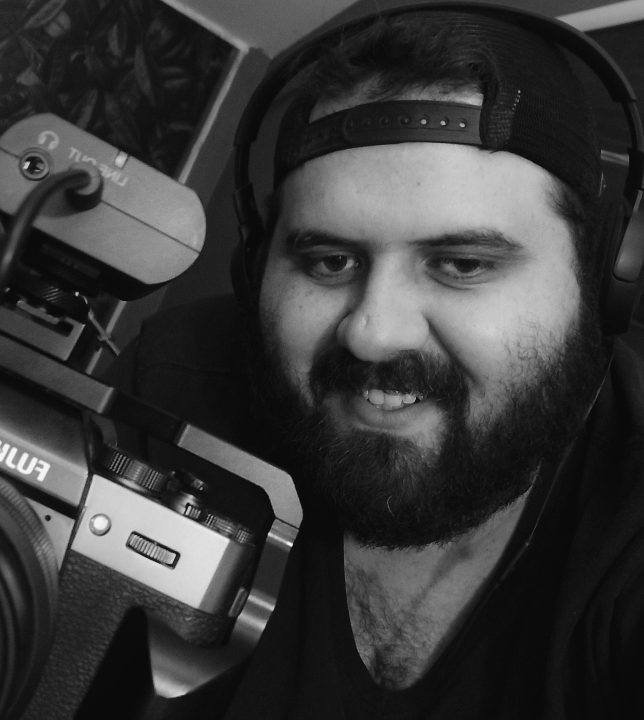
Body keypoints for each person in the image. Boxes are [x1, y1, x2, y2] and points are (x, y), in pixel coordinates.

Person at [109, 4, 644, 718]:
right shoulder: (173, 383)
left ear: (602, 280)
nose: (372, 333)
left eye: (462, 263)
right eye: (329, 261)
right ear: (255, 270)